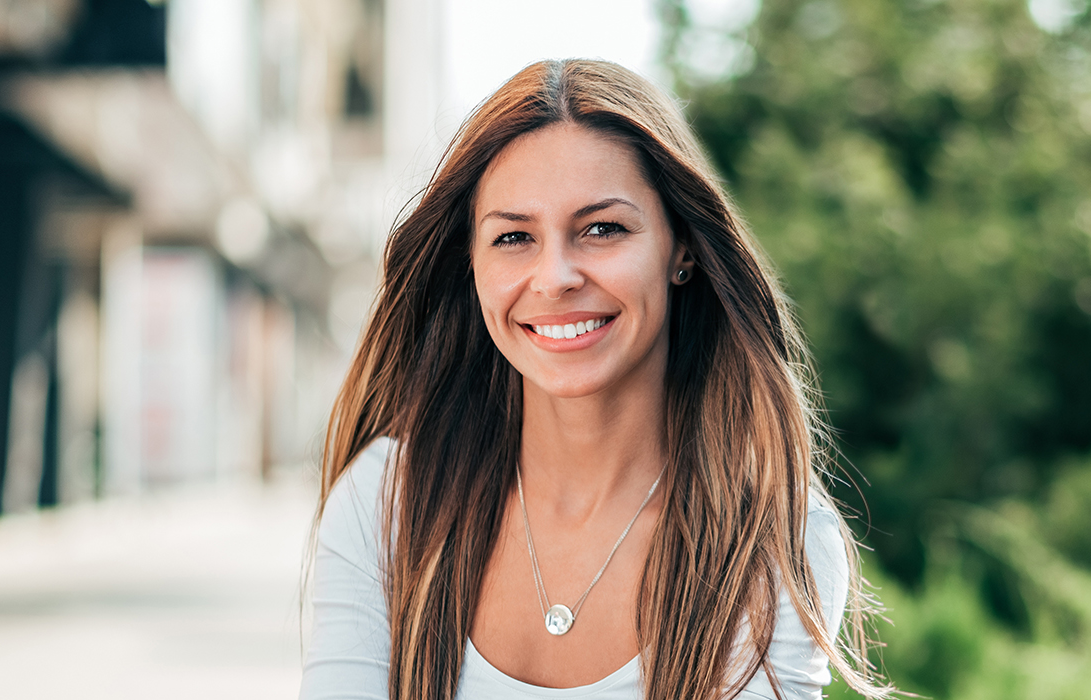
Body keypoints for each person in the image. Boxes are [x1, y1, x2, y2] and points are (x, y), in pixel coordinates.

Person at [300, 59, 889, 700]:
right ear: (470, 262)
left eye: (602, 229)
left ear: (681, 247)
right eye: (514, 237)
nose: (555, 277)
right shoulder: (385, 502)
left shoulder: (772, 539)